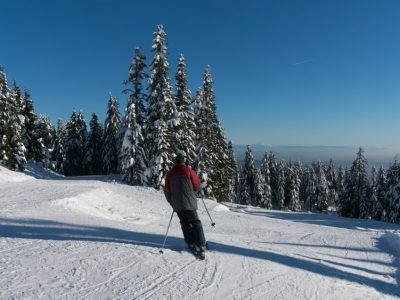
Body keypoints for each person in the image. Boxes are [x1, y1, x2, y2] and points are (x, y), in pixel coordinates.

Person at [163, 152, 207, 259]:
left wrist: (172, 203)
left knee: (184, 223)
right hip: (189, 203)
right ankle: (201, 245)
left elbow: (167, 190)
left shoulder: (169, 174)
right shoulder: (188, 171)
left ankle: (191, 243)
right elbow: (196, 185)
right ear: (183, 161)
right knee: (195, 222)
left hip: (177, 205)